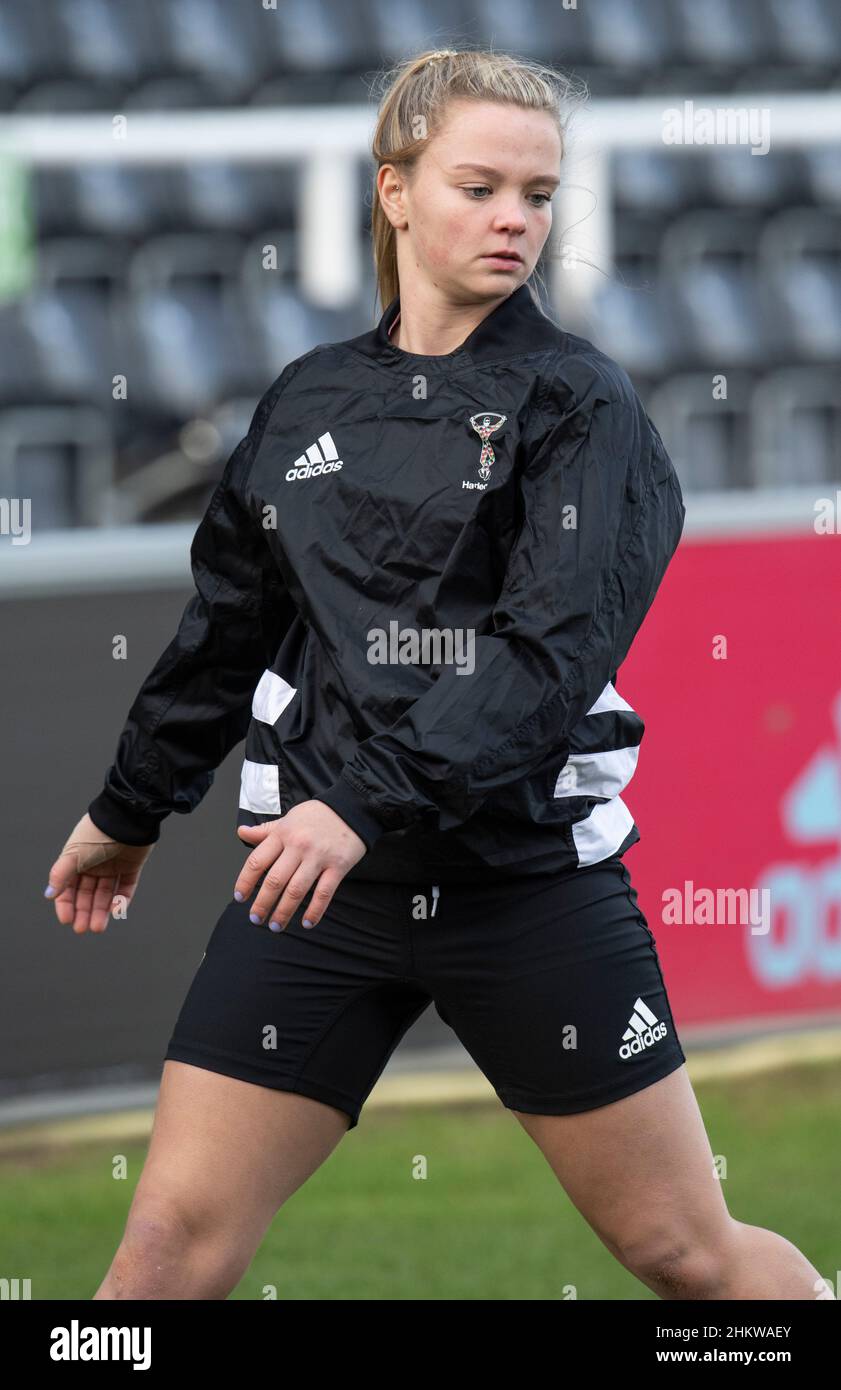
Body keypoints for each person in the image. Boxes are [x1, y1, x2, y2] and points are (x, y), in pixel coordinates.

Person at [45, 47, 829, 1302]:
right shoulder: (307, 400)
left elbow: (545, 657)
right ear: (395, 191)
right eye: (479, 186)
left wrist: (361, 804)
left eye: (538, 193)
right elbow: (225, 634)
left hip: (519, 886)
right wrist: (128, 810)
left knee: (686, 1253)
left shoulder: (581, 405)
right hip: (314, 895)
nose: (515, 218)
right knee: (163, 1256)